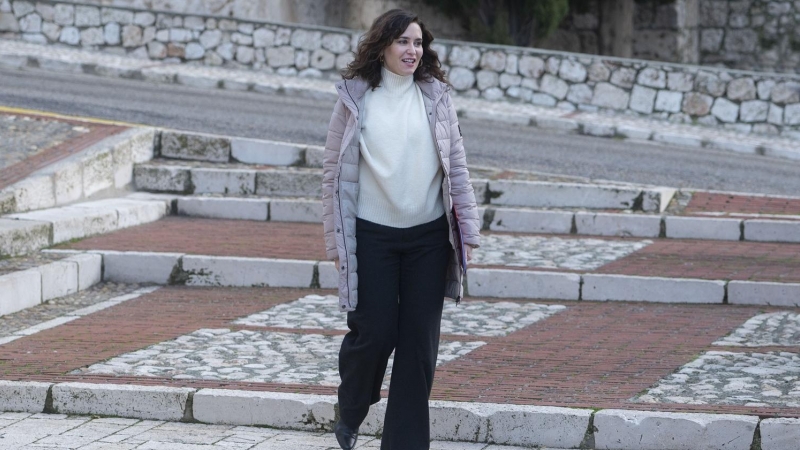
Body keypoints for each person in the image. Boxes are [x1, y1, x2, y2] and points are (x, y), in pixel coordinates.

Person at [321, 8, 481, 450]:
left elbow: (458, 168)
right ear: (383, 47)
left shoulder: (436, 97)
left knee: (418, 347)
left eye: (418, 43)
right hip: (373, 236)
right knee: (373, 331)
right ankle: (352, 407)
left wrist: (467, 229)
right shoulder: (355, 99)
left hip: (429, 239)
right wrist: (335, 239)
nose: (413, 51)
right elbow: (333, 172)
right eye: (403, 42)